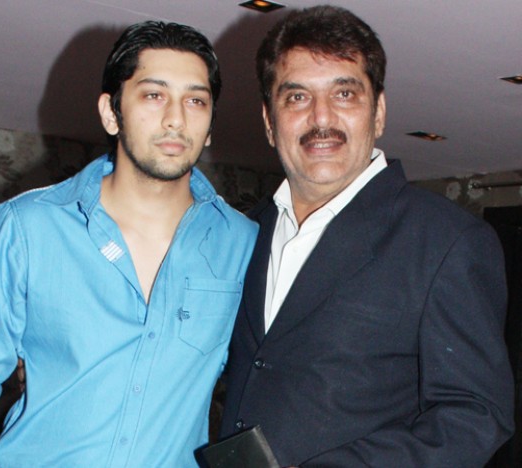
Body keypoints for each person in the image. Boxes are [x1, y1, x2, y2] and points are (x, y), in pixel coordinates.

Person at [0, 21, 257, 467]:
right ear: (110, 112)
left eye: (195, 100)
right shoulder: (30, 227)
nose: (176, 118)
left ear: (211, 123)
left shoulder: (244, 245)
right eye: (154, 95)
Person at [220, 5, 514, 467]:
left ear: (378, 113)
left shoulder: (446, 241)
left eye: (344, 94)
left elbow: (474, 417)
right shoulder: (242, 232)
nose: (321, 117)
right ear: (269, 121)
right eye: (296, 97)